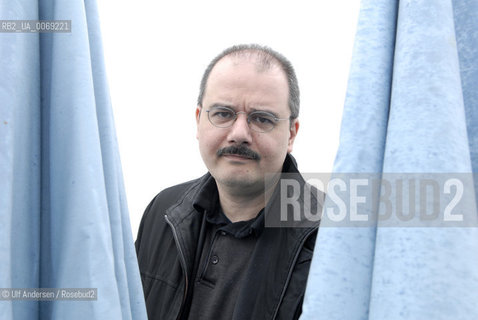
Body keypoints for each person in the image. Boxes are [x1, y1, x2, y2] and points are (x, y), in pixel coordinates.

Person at [135, 44, 323, 320]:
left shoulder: (331, 238)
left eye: (262, 119)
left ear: (292, 134)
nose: (239, 134)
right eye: (223, 113)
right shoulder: (162, 210)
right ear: (199, 120)